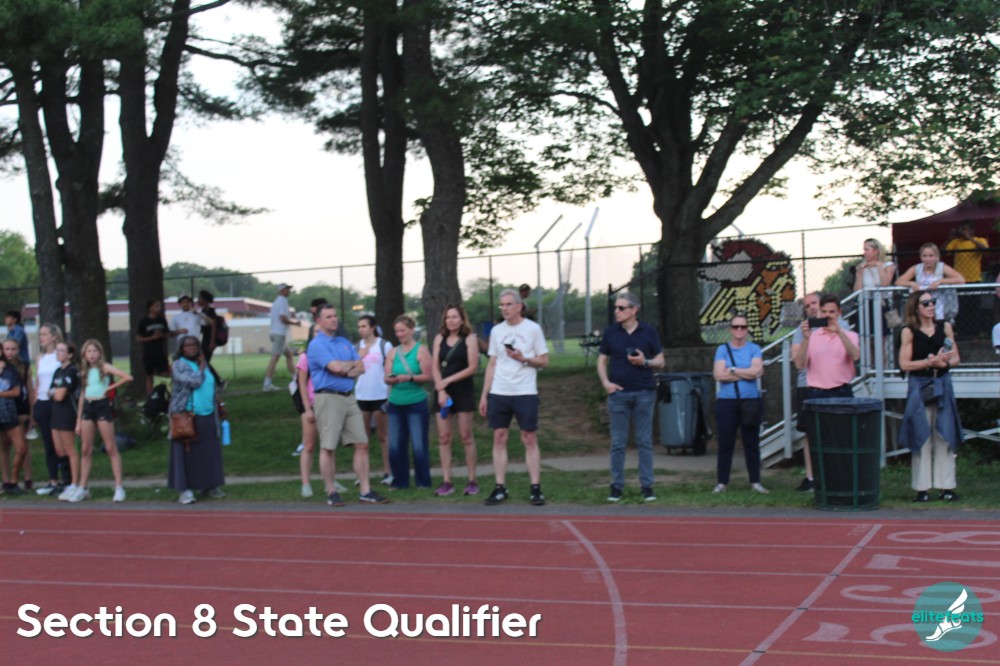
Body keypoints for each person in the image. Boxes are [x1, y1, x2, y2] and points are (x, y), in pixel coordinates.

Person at [307, 304, 388, 506]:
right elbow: (335, 367)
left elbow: (360, 368)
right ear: (319, 321)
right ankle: (331, 491)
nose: (334, 319)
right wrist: (346, 366)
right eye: (328, 316)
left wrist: (344, 367)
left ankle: (365, 490)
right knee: (328, 446)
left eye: (335, 315)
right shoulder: (317, 344)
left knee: (362, 443)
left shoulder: (343, 342)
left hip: (349, 397)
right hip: (328, 397)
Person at [479, 288, 550, 506]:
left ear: (519, 306)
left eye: (509, 304)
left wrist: (524, 358)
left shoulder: (533, 329)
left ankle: (535, 488)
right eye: (502, 305)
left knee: (529, 438)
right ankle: (500, 487)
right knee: (499, 437)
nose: (504, 308)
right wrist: (484, 395)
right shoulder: (497, 331)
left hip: (525, 391)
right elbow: (492, 363)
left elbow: (544, 361)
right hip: (500, 391)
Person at [596, 291, 665, 502]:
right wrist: (606, 383)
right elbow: (601, 361)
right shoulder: (611, 332)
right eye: (615, 308)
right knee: (618, 442)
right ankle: (616, 486)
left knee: (644, 441)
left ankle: (647, 486)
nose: (616, 311)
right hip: (618, 394)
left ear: (634, 310)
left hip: (644, 392)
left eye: (621, 308)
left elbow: (661, 361)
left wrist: (645, 362)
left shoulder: (648, 331)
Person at [898, 291, 962, 502]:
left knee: (944, 434)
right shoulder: (909, 331)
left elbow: (956, 358)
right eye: (925, 303)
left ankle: (946, 487)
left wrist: (944, 362)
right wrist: (928, 362)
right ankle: (922, 488)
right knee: (921, 433)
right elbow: (904, 364)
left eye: (933, 302)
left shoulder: (945, 327)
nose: (931, 306)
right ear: (916, 307)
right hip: (920, 385)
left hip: (942, 384)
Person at [789, 292, 849, 492]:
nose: (812, 308)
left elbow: (850, 354)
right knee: (810, 432)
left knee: (838, 432)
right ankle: (811, 477)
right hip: (808, 385)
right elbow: (797, 360)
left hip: (834, 383)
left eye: (814, 303)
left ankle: (837, 476)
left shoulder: (841, 325)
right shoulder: (803, 329)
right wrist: (808, 338)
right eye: (807, 306)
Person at [711, 313, 767, 494]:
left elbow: (757, 372)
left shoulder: (754, 348)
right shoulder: (722, 350)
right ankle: (722, 483)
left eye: (743, 327)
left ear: (747, 329)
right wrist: (746, 372)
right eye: (736, 327)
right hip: (726, 401)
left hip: (750, 400)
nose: (740, 330)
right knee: (725, 443)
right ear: (730, 329)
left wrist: (733, 370)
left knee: (751, 443)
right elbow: (718, 375)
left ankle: (755, 482)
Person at [168, 336, 226, 504]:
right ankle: (185, 490)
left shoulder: (203, 363)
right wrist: (201, 367)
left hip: (208, 413)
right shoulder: (178, 365)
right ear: (181, 348)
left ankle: (209, 485)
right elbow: (194, 382)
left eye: (194, 344)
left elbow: (210, 384)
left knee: (208, 452)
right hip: (187, 415)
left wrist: (219, 403)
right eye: (187, 345)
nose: (192, 347)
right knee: (186, 454)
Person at [72, 339, 132, 503]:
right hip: (88, 407)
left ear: (99, 353)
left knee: (110, 446)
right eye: (89, 351)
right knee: (85, 449)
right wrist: (78, 420)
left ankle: (119, 487)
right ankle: (83, 487)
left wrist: (109, 388)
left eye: (94, 351)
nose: (92, 354)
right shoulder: (83, 371)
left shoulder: (104, 367)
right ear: (84, 354)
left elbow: (127, 377)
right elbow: (82, 395)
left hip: (102, 406)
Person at [431, 305, 480, 496]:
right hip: (443, 391)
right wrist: (441, 389)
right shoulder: (439, 338)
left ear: (462, 319)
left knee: (466, 436)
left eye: (454, 317)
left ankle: (472, 480)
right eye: (448, 317)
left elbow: (472, 367)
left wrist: (448, 380)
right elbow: (435, 367)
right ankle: (447, 481)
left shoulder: (470, 338)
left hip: (462, 390)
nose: (451, 320)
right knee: (444, 437)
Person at [385, 315, 433, 490]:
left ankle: (423, 481)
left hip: (416, 402)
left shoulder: (421, 350)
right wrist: (391, 379)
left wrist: (410, 377)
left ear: (411, 330)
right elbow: (386, 376)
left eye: (403, 330)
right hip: (395, 402)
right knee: (395, 445)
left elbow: (428, 376)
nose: (400, 334)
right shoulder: (393, 352)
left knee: (418, 444)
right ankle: (400, 481)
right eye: (397, 331)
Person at [32, 323, 70, 495]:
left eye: (45, 334)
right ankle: (52, 480)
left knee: (60, 444)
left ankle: (67, 480)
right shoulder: (39, 357)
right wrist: (34, 406)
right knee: (48, 443)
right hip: (42, 402)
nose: (41, 338)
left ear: (54, 336)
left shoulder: (59, 355)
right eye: (40, 334)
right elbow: (38, 382)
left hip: (56, 402)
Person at [355, 315, 393, 486]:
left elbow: (390, 370)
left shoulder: (384, 345)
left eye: (364, 326)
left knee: (383, 435)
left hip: (380, 395)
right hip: (362, 395)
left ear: (372, 328)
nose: (361, 330)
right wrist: (358, 357)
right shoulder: (357, 347)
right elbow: (351, 368)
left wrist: (389, 393)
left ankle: (388, 472)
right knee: (363, 438)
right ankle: (363, 474)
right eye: (359, 327)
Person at [896, 243, 964, 322]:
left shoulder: (942, 267)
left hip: (939, 305)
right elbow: (898, 281)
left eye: (931, 256)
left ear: (937, 257)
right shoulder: (917, 268)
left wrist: (940, 281)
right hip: (922, 305)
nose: (927, 259)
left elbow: (961, 280)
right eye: (924, 256)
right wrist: (912, 284)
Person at [944, 221, 990, 337]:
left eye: (964, 229)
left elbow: (985, 250)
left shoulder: (979, 240)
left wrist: (970, 238)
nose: (962, 232)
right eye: (961, 229)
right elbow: (943, 252)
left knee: (974, 307)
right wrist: (950, 238)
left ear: (971, 230)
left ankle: (975, 333)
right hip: (959, 280)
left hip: (974, 279)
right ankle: (962, 333)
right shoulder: (956, 242)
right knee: (960, 308)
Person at [49, 343, 82, 501]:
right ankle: (67, 482)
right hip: (56, 413)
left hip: (67, 412)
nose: (58, 353)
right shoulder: (58, 371)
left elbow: (59, 395)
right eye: (57, 350)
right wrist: (55, 392)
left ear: (70, 354)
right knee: (59, 450)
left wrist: (55, 392)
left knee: (70, 450)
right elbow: (50, 392)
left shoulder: (72, 370)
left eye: (62, 351)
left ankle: (75, 483)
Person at [2, 339, 33, 491]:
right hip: (3, 410)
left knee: (22, 446)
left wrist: (31, 413)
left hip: (18, 409)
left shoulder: (21, 368)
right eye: (7, 349)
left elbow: (27, 390)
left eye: (13, 349)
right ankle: (6, 481)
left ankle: (25, 478)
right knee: (4, 446)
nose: (10, 352)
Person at [263, 283, 301, 391]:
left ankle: (296, 379)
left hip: (275, 333)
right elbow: (282, 318)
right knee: (275, 358)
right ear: (281, 290)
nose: (289, 291)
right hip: (279, 333)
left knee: (289, 355)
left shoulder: (276, 302)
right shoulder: (282, 302)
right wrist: (295, 323)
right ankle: (267, 384)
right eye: (287, 289)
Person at [135, 298, 173, 395]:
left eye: (159, 306)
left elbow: (167, 334)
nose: (159, 308)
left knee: (165, 373)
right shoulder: (144, 322)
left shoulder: (162, 320)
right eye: (156, 306)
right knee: (149, 375)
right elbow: (138, 338)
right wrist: (152, 337)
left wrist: (161, 335)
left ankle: (165, 393)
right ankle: (151, 397)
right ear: (150, 308)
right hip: (149, 352)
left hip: (161, 352)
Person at [196, 290, 225, 388]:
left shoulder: (210, 311)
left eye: (200, 298)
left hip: (209, 340)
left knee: (204, 362)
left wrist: (212, 342)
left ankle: (219, 381)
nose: (198, 300)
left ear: (205, 299)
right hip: (205, 339)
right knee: (204, 362)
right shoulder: (203, 311)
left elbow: (214, 326)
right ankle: (217, 381)